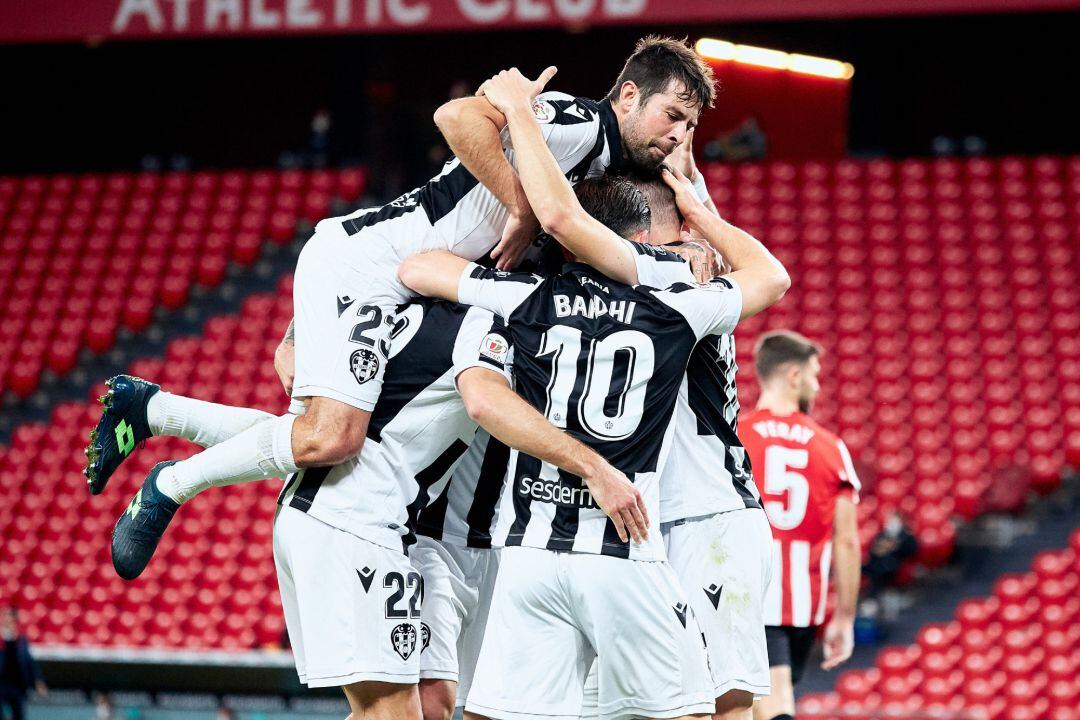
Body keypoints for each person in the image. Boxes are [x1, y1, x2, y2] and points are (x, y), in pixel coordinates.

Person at [87, 36, 716, 590]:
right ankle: (170, 485)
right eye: (673, 115)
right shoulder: (577, 123)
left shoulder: (606, 172)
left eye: (691, 125)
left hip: (394, 276)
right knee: (332, 437)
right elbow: (458, 117)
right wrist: (519, 206)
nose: (679, 135)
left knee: (342, 442)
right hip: (370, 269)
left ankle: (154, 410)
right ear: (628, 96)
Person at [397, 66, 788, 720]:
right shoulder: (682, 292)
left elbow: (440, 258)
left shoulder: (561, 292)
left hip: (702, 514)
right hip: (632, 525)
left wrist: (519, 117)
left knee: (721, 703)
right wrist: (701, 207)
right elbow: (768, 276)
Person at [740, 332, 861, 720]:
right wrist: (844, 616)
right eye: (814, 374)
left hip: (746, 595)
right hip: (799, 607)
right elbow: (846, 541)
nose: (818, 384)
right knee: (775, 707)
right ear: (794, 376)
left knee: (753, 705)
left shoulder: (734, 437)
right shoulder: (830, 447)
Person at [0, 607, 46, 720]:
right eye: (5, 616)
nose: (7, 619)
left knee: (19, 714)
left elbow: (29, 661)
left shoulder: (21, 639)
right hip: (1, 684)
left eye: (10, 617)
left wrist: (38, 680)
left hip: (17, 685)